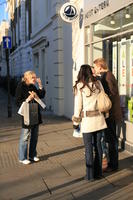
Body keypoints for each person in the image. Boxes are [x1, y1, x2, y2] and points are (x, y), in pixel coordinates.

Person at [72, 64, 107, 181]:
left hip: (88, 121)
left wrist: (76, 122)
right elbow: (103, 99)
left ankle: (89, 175)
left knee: (88, 149)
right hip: (100, 119)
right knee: (98, 147)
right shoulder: (98, 84)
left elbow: (78, 106)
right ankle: (99, 173)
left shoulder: (80, 86)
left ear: (81, 73)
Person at [93, 58, 122, 172]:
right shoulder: (107, 75)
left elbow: (111, 93)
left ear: (100, 66)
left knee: (112, 140)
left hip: (111, 114)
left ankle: (113, 165)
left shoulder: (107, 76)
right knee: (111, 139)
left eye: (95, 67)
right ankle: (112, 163)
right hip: (111, 113)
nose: (94, 69)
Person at [16, 71, 45, 165]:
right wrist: (28, 98)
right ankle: (22, 157)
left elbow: (41, 95)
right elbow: (17, 101)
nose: (35, 79)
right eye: (33, 77)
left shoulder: (33, 86)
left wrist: (40, 85)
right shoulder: (21, 86)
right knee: (25, 136)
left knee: (35, 136)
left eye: (35, 77)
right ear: (27, 78)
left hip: (35, 112)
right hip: (26, 114)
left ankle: (32, 155)